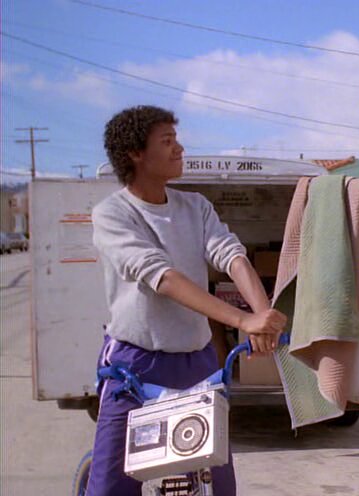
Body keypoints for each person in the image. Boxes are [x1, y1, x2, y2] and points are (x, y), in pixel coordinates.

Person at [87, 105, 287, 496]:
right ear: (135, 153)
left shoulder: (195, 206)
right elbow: (162, 277)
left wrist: (263, 316)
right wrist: (242, 321)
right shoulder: (112, 214)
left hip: (197, 362)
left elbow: (231, 255)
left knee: (216, 480)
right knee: (111, 484)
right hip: (135, 365)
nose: (179, 148)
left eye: (176, 139)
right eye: (167, 141)